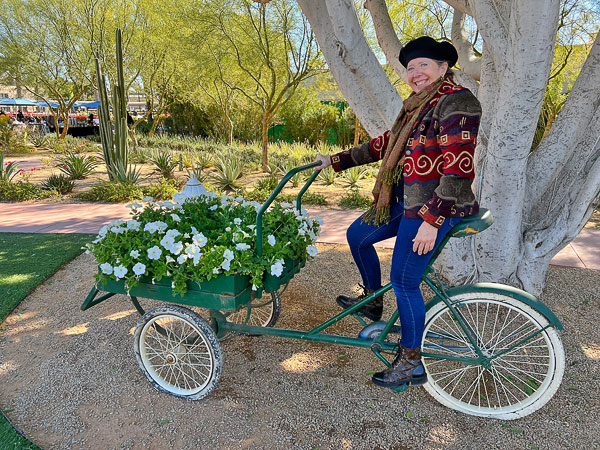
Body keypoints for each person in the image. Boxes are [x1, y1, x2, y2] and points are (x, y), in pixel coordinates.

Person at [314, 36, 481, 390]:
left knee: (405, 281)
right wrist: (334, 160)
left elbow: (458, 171)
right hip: (407, 202)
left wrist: (431, 222)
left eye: (423, 65)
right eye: (410, 67)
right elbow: (384, 145)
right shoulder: (416, 107)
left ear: (443, 68)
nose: (415, 72)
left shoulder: (456, 101)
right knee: (358, 236)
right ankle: (372, 302)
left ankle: (411, 363)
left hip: (435, 208)